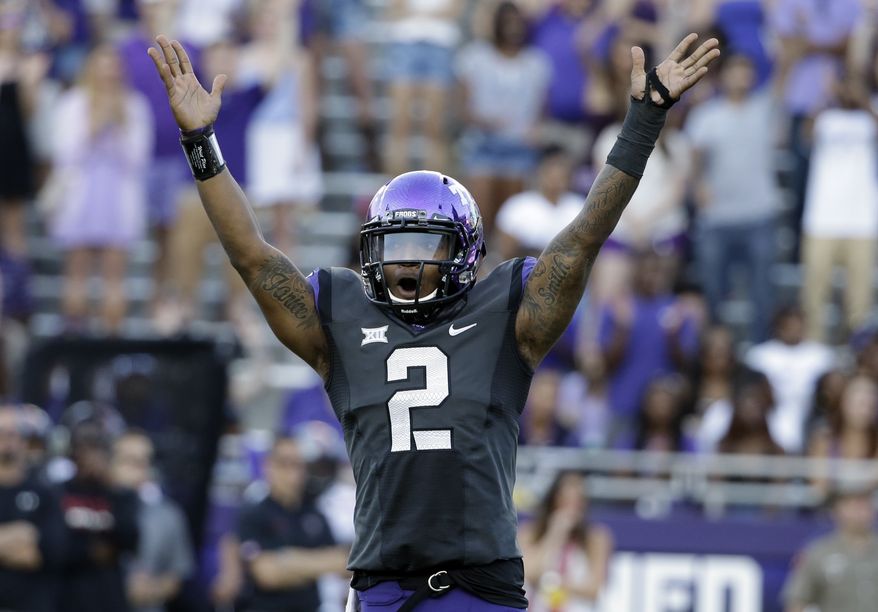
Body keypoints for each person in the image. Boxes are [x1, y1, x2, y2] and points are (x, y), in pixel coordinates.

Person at [147, 30, 718, 610]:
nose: (405, 260)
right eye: (392, 243)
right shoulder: (341, 314)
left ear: (463, 251)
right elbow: (252, 256)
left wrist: (644, 122)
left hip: (476, 587)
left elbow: (582, 240)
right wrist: (200, 140)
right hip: (380, 587)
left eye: (424, 242)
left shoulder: (505, 313)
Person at [50, 44, 153, 333]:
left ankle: (110, 346)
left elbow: (138, 157)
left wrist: (118, 123)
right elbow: (64, 153)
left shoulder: (134, 106)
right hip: (80, 196)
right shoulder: (73, 103)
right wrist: (94, 124)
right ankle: (75, 341)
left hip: (117, 197)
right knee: (77, 274)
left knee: (114, 277)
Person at [684, 52, 781, 342]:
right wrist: (698, 186)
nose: (742, 76)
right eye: (736, 70)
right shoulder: (706, 115)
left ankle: (759, 352)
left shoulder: (764, 109)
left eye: (747, 70)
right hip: (718, 217)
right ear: (723, 76)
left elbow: (785, 73)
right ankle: (717, 349)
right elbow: (695, 160)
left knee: (763, 293)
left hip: (760, 214)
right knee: (713, 289)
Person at [455, 0, 551, 236]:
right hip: (483, 144)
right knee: (479, 213)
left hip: (519, 146)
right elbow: (462, 107)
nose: (513, 28)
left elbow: (541, 110)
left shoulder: (537, 63)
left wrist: (535, 131)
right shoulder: (474, 58)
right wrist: (484, 120)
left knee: (513, 217)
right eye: (507, 22)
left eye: (517, 22)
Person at [801, 74, 878, 342]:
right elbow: (805, 134)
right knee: (814, 295)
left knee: (860, 300)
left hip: (863, 222)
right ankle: (814, 348)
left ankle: (858, 354)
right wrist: (824, 97)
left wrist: (865, 101)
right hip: (821, 220)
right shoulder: (825, 117)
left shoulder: (871, 114)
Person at [236, 435, 348, 611]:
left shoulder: (313, 513)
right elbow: (267, 575)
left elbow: (342, 563)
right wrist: (317, 565)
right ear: (268, 466)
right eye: (284, 463)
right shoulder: (254, 513)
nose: (293, 473)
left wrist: (288, 560)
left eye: (298, 464)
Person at [58, 419, 140, 612]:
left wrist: (110, 483)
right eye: (86, 446)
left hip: (108, 599)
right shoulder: (58, 493)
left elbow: (130, 540)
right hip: (65, 598)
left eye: (98, 447)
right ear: (73, 452)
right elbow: (56, 548)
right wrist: (92, 550)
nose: (92, 455)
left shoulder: (121, 495)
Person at [111, 429, 195, 612]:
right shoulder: (95, 507)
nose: (138, 469)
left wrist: (151, 589)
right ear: (111, 462)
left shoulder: (168, 515)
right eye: (130, 461)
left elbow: (176, 577)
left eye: (143, 461)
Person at [0, 406, 66, 612]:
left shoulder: (45, 492)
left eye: (12, 433)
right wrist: (20, 534)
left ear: (24, 440)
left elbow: (49, 553)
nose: (6, 441)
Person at [519, 470, 613, 612]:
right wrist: (555, 533)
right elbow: (528, 573)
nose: (572, 508)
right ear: (554, 500)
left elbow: (595, 589)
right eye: (566, 500)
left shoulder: (596, 537)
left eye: (577, 501)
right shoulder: (531, 532)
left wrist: (557, 584)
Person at [783, 483, 878, 612]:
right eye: (851, 503)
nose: (859, 509)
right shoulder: (819, 552)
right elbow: (797, 600)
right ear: (835, 510)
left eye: (864, 502)